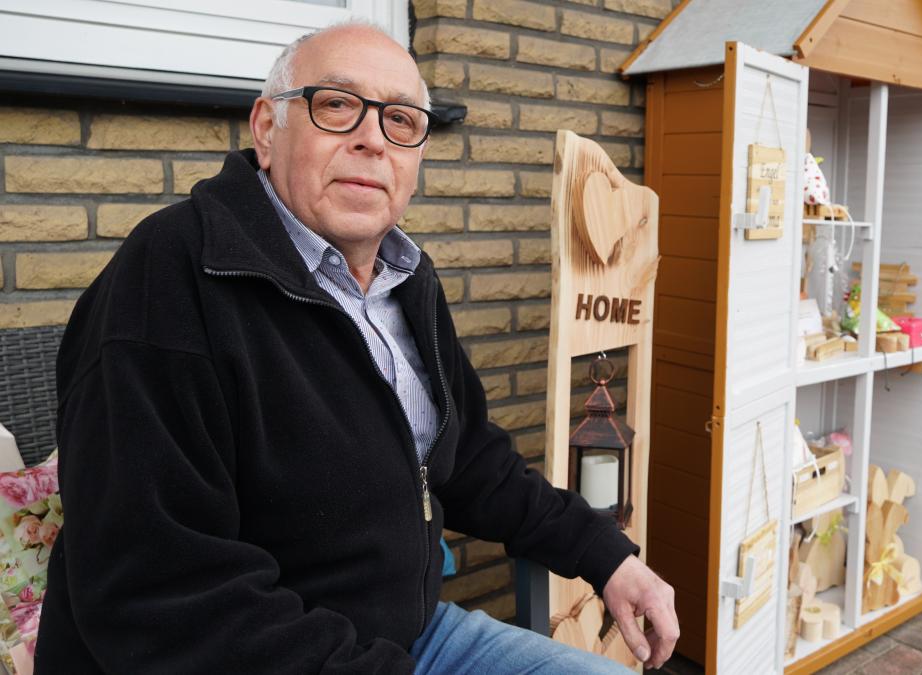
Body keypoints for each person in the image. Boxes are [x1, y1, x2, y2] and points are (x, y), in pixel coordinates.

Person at [36, 21, 678, 673]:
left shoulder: (408, 280)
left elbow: (472, 458)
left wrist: (608, 555)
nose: (372, 138)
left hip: (415, 634)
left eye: (401, 119)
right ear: (266, 128)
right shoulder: (169, 283)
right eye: (337, 105)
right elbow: (160, 593)